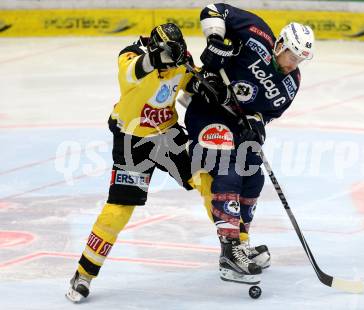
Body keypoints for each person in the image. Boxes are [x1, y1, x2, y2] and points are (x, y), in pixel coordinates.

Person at [65, 23, 213, 303]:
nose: (177, 59)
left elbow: (191, 88)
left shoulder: (182, 59)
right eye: (170, 53)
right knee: (119, 210)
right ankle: (83, 273)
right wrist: (157, 58)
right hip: (132, 140)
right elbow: (133, 71)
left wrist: (210, 89)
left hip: (168, 135)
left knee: (207, 179)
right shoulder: (131, 55)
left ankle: (234, 245)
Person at [184, 3, 315, 284]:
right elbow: (213, 9)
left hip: (235, 121)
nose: (293, 64)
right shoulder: (257, 33)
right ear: (280, 43)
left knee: (253, 176)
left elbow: (265, 114)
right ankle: (229, 250)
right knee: (229, 169)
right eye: (292, 55)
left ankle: (240, 244)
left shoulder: (291, 83)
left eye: (300, 60)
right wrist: (216, 40)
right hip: (207, 111)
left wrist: (256, 124)